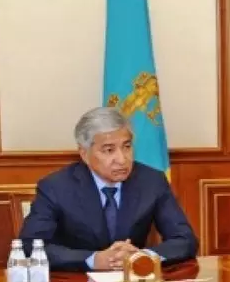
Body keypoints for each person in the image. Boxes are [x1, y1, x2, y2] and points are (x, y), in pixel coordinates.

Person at [19, 107, 198, 271]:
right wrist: (93, 259)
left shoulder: (151, 181)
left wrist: (143, 257)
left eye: (127, 147)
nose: (122, 159)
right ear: (84, 154)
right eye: (109, 150)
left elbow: (185, 240)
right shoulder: (56, 187)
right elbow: (30, 246)